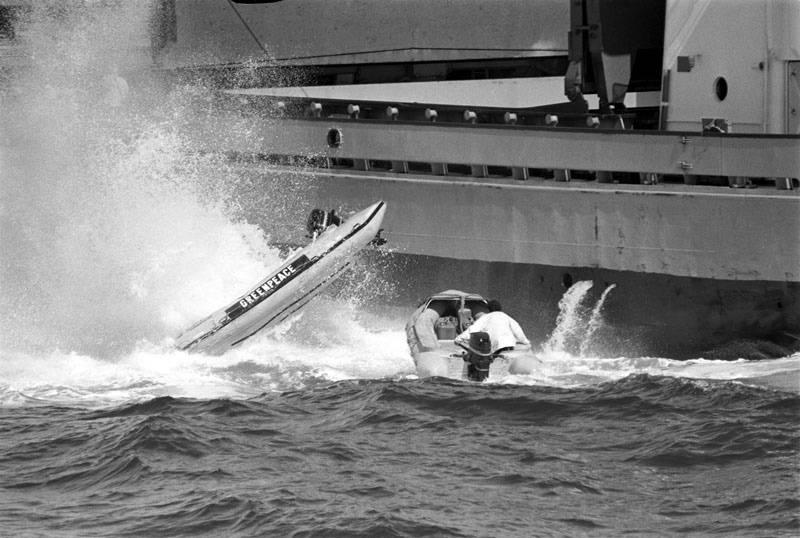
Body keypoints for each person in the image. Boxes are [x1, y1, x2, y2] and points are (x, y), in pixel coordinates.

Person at [455, 299, 529, 354]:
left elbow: (472, 330)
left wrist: (459, 338)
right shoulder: (507, 317)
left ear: (488, 309)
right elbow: (517, 330)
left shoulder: (486, 317)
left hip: (497, 348)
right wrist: (525, 341)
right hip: (510, 345)